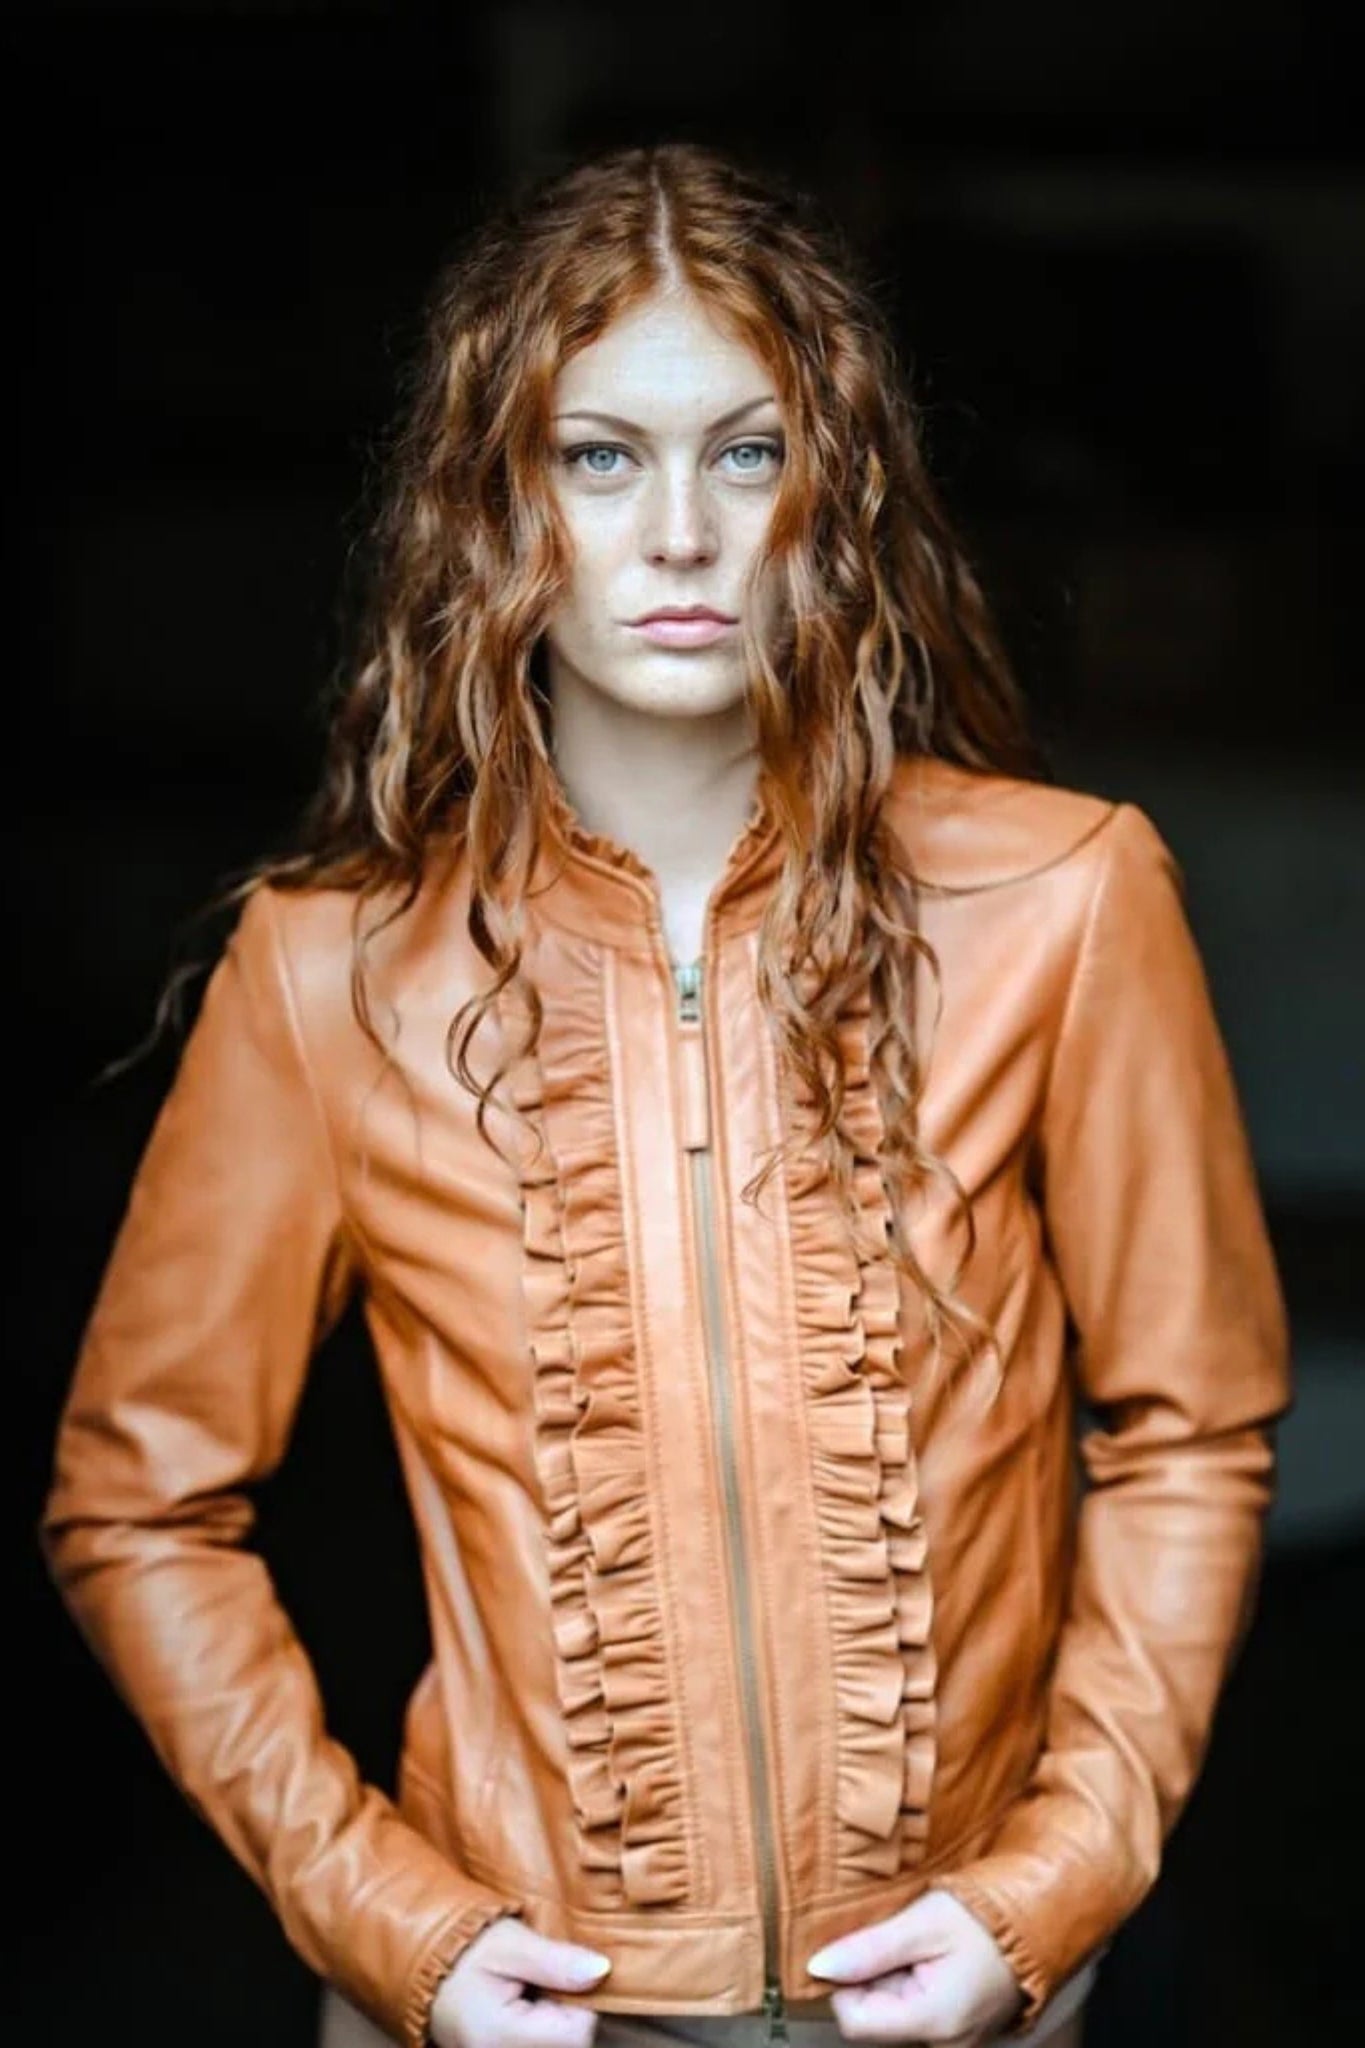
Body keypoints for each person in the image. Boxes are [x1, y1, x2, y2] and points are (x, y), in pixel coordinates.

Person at [40, 140, 1292, 2048]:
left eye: (749, 451)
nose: (681, 537)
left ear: (834, 497)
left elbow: (1188, 1429)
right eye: (597, 457)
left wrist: (1055, 1886)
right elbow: (139, 1507)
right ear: (494, 504)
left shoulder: (1064, 895)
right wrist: (389, 1923)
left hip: (969, 1999)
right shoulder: (327, 970)